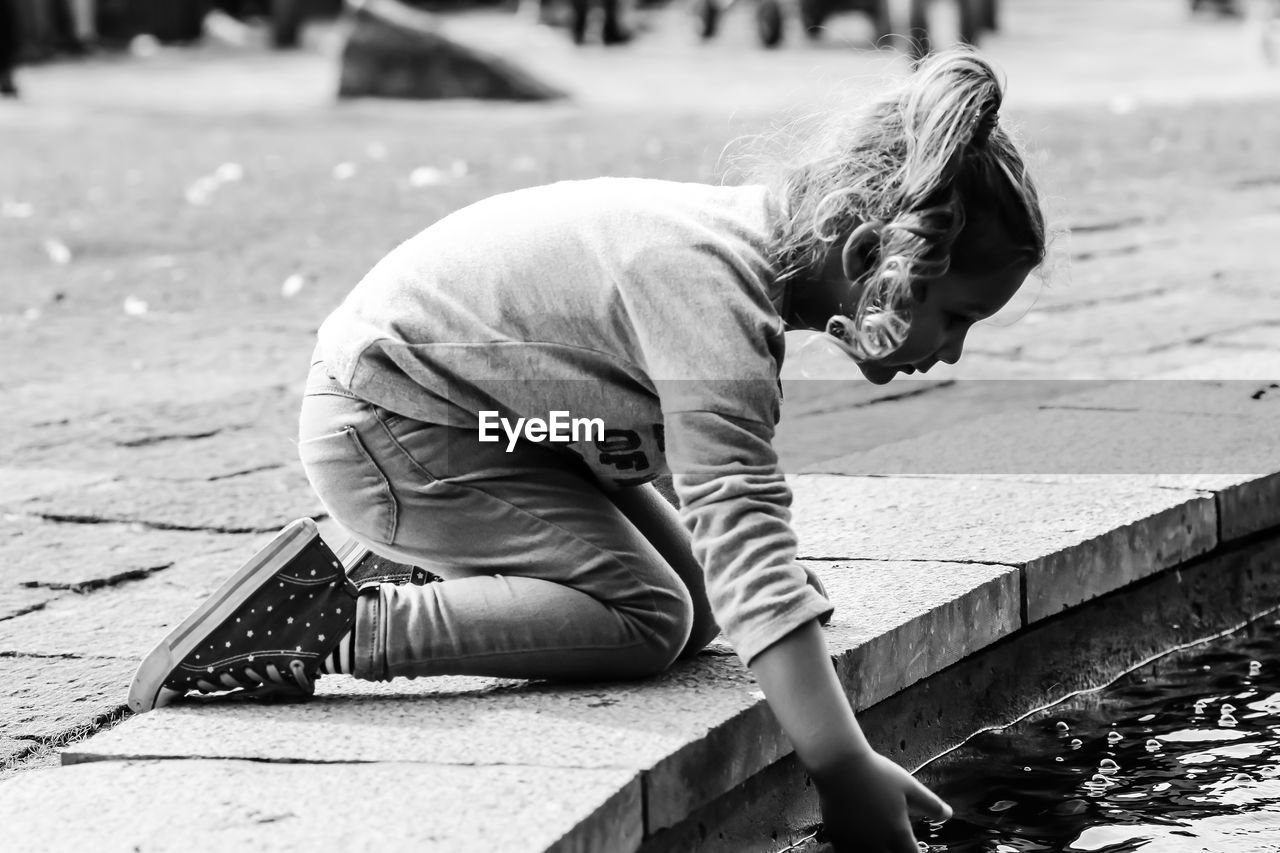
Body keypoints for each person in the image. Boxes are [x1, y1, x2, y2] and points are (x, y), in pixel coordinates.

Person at [129, 46, 1048, 852]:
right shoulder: (715, 297)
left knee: (692, 607)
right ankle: (324, 620)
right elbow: (743, 534)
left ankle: (452, 565)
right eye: (956, 316)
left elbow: (710, 502)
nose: (954, 350)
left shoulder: (739, 251)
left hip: (477, 424)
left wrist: (760, 594)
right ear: (868, 257)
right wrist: (842, 762)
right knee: (650, 617)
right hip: (389, 428)